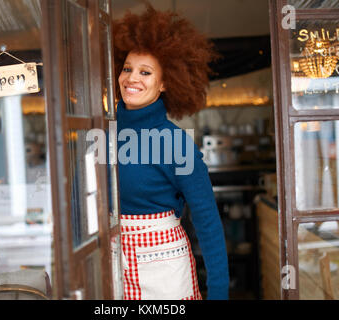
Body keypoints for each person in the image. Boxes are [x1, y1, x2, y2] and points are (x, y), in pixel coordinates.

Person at [112, 4, 229, 300]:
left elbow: (208, 222)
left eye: (145, 72)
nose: (132, 78)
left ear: (165, 83)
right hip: (112, 268)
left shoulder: (176, 143)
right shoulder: (101, 137)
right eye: (127, 68)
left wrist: (218, 293)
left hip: (164, 274)